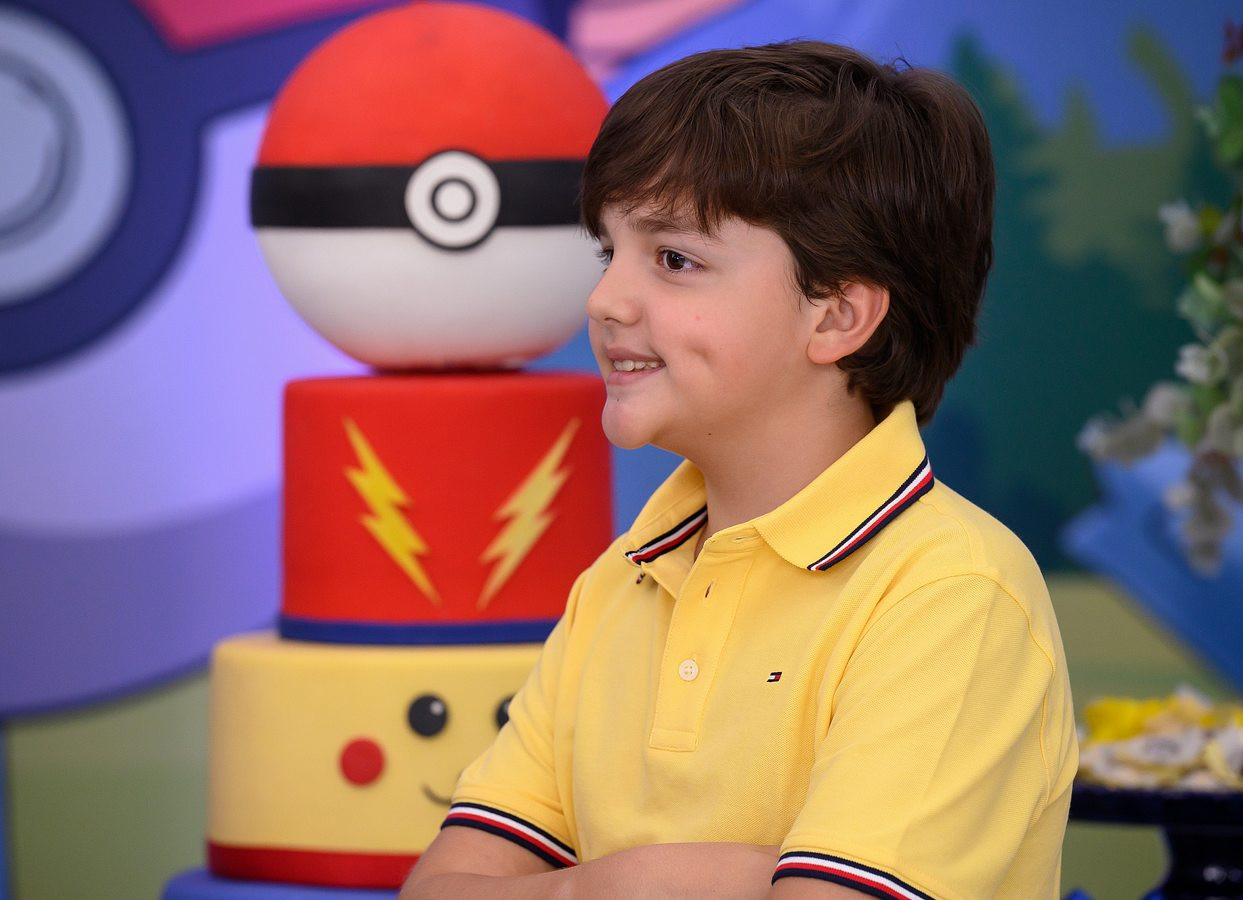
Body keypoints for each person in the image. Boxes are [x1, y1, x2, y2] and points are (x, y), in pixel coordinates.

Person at [400, 40, 1076, 900]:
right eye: (608, 252)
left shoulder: (953, 596)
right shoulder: (618, 583)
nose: (603, 301)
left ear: (836, 317)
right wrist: (623, 886)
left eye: (674, 260)